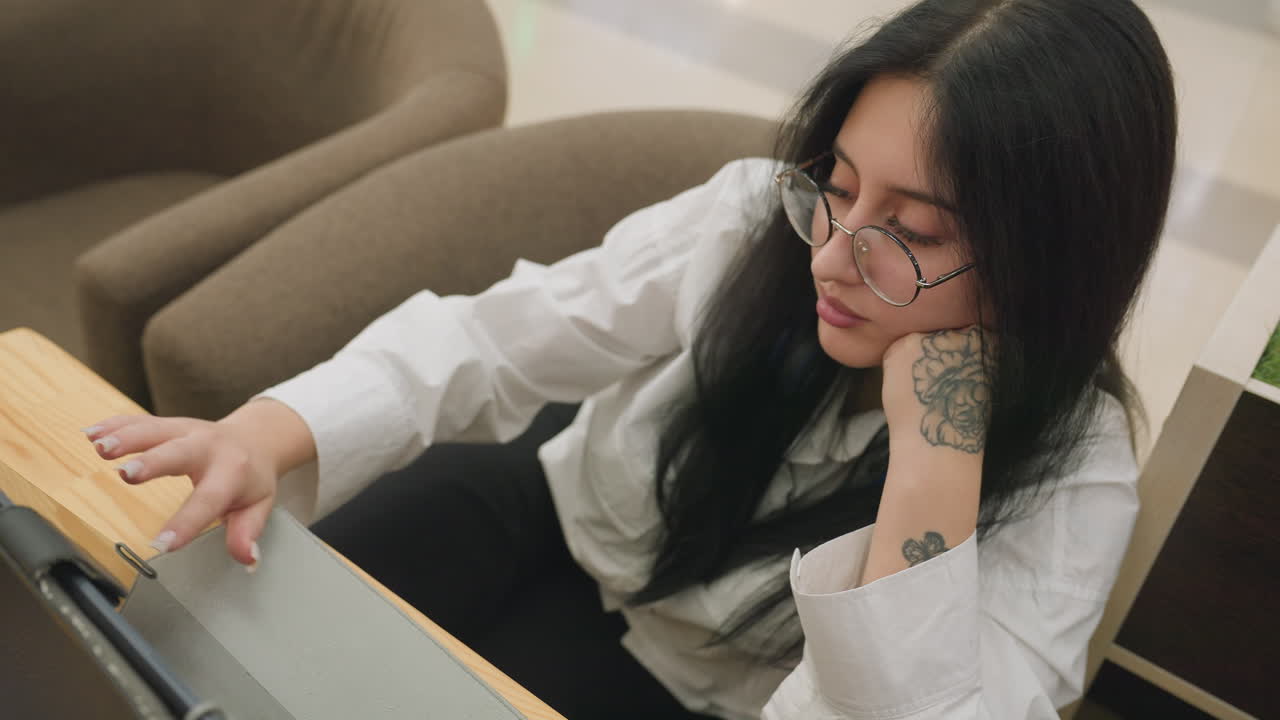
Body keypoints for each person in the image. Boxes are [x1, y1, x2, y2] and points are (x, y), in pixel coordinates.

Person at [82, 0, 1177, 717]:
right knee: (178, 648)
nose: (831, 259)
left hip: (685, 692)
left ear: (1046, 259)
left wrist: (935, 457)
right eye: (835, 186)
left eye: (914, 231)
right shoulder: (756, 218)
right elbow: (496, 338)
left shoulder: (1076, 475)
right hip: (546, 510)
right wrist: (265, 433)